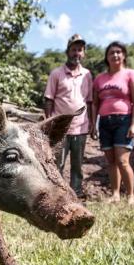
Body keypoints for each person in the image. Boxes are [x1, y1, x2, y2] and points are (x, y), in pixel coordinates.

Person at [90, 41, 134, 205]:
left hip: (123, 121)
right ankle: (115, 194)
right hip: (104, 122)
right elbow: (95, 104)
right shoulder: (99, 79)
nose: (115, 55)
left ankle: (131, 195)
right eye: (111, 52)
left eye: (118, 52)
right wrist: (93, 124)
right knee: (111, 161)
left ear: (124, 55)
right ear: (107, 57)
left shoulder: (131, 74)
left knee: (122, 161)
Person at [44, 33, 93, 199]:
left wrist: (93, 124)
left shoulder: (87, 75)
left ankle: (77, 194)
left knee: (77, 165)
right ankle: (57, 194)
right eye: (73, 49)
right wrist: (48, 122)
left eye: (80, 50)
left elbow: (90, 101)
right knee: (58, 163)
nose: (76, 53)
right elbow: (48, 99)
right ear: (67, 51)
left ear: (83, 53)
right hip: (60, 128)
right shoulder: (56, 73)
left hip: (81, 127)